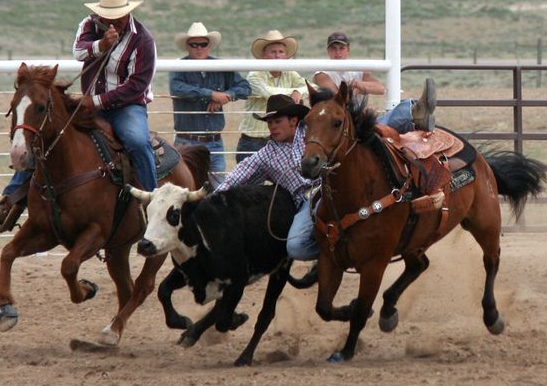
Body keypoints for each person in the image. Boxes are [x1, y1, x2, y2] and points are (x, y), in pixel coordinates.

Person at [0, 0, 158, 232]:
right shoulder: (89, 25)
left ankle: (152, 203)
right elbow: (78, 52)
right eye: (108, 13)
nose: (112, 18)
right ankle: (9, 203)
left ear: (127, 12)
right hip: (89, 103)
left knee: (137, 141)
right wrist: (101, 46)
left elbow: (137, 85)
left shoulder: (142, 40)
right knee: (46, 135)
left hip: (126, 107)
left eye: (117, 14)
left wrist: (95, 101)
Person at [215, 80, 437, 264]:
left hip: (339, 183)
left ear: (294, 121)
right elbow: (240, 174)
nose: (272, 127)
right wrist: (212, 199)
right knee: (296, 247)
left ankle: (411, 110)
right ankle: (334, 252)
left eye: (277, 121)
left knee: (368, 129)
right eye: (269, 122)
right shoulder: (267, 154)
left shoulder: (313, 128)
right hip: (308, 199)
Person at [170, 22, 251, 187]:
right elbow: (177, 88)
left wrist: (226, 96)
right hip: (187, 141)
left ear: (209, 46)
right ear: (188, 46)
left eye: (203, 44)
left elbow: (245, 88)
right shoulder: (178, 66)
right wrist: (211, 94)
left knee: (218, 187)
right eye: (194, 44)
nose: (199, 48)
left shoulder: (220, 65)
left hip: (214, 141)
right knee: (185, 188)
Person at [315, 31, 435, 132]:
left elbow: (380, 88)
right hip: (337, 123)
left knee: (385, 122)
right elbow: (339, 98)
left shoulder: (357, 70)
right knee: (384, 123)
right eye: (333, 49)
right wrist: (358, 91)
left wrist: (359, 85)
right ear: (328, 51)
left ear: (348, 50)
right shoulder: (322, 73)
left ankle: (416, 116)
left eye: (341, 48)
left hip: (355, 120)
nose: (338, 53)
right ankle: (415, 114)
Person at [235, 30, 308, 163]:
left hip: (279, 141)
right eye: (273, 52)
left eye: (281, 52)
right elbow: (269, 93)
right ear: (264, 55)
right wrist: (295, 91)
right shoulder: (254, 75)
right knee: (248, 182)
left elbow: (311, 86)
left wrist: (298, 91)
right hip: (253, 141)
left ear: (286, 56)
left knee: (283, 182)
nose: (277, 56)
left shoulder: (289, 73)